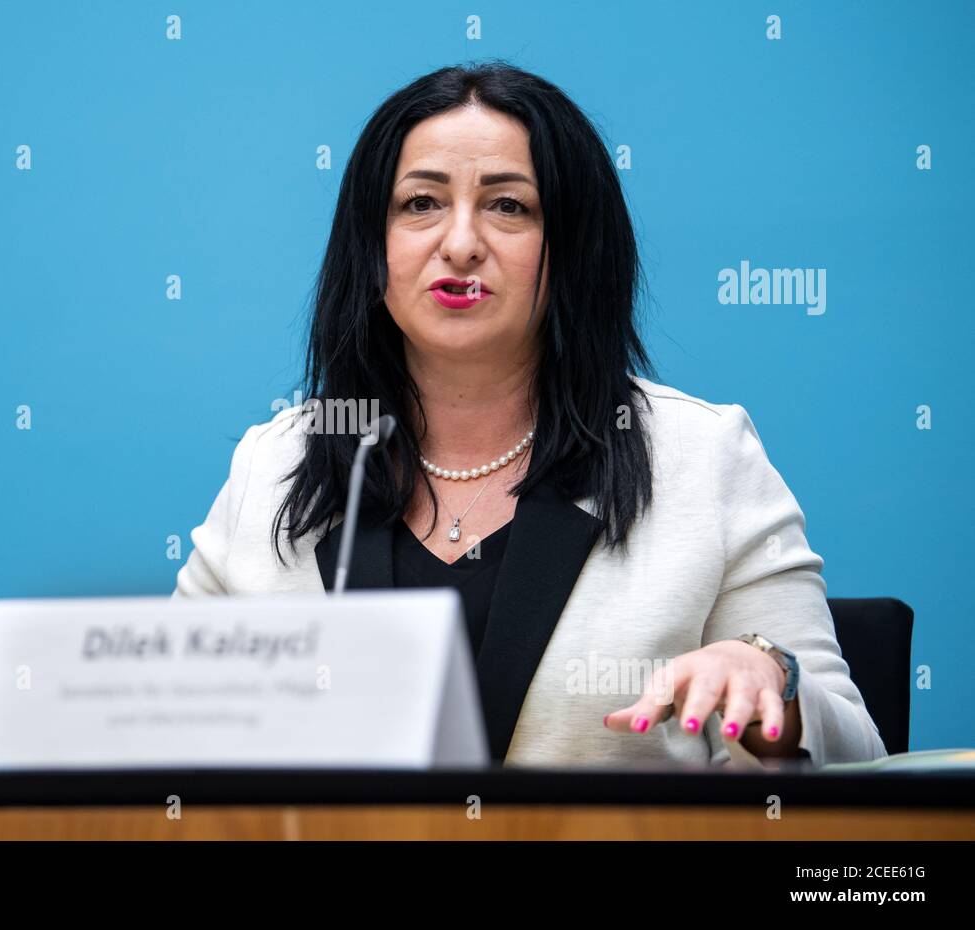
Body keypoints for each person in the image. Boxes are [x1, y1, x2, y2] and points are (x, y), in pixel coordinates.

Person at [173, 61, 887, 770]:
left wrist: (773, 682)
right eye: (420, 203)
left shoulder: (706, 458)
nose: (459, 243)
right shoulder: (277, 461)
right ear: (372, 245)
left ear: (574, 245)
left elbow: (858, 754)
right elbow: (161, 723)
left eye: (509, 206)